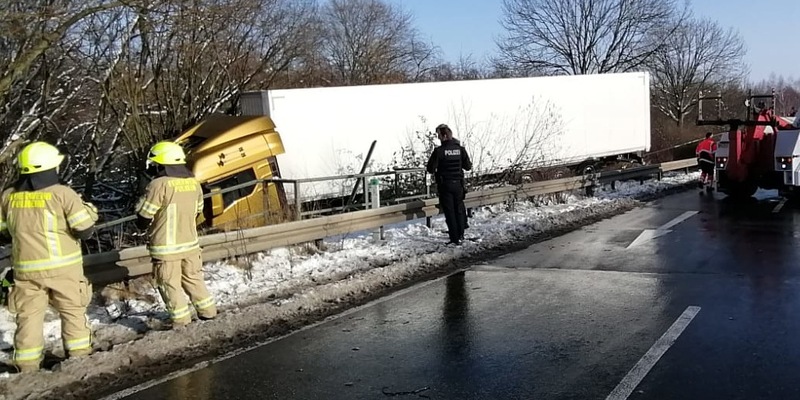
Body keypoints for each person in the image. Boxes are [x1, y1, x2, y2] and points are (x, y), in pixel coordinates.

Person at [0, 141, 98, 373]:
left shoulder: (7, 196)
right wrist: (90, 210)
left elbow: (3, 232)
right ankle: (79, 357)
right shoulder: (62, 194)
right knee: (73, 312)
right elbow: (85, 230)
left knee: (28, 317)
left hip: (26, 270)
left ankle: (27, 366)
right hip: (64, 269)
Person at [135, 141, 216, 329]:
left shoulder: (158, 185)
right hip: (191, 245)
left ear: (161, 163)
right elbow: (198, 211)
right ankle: (208, 313)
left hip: (166, 248)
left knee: (169, 284)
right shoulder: (193, 183)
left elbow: (144, 217)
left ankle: (181, 320)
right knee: (194, 279)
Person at [427, 124, 472, 245]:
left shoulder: (439, 151)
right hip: (458, 185)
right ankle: (461, 234)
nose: (438, 138)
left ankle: (454, 238)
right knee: (459, 209)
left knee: (450, 212)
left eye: (439, 135)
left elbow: (430, 168)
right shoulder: (460, 149)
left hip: (445, 185)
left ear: (444, 135)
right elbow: (468, 166)